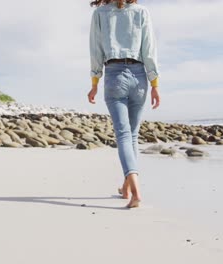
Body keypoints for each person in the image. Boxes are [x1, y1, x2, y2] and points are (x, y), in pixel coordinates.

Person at [87, 0, 160, 208]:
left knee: (124, 135)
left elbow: (95, 50)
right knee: (133, 135)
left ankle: (135, 191)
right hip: (140, 78)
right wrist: (155, 83)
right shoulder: (141, 12)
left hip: (114, 74)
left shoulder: (100, 13)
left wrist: (94, 82)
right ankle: (126, 187)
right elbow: (149, 49)